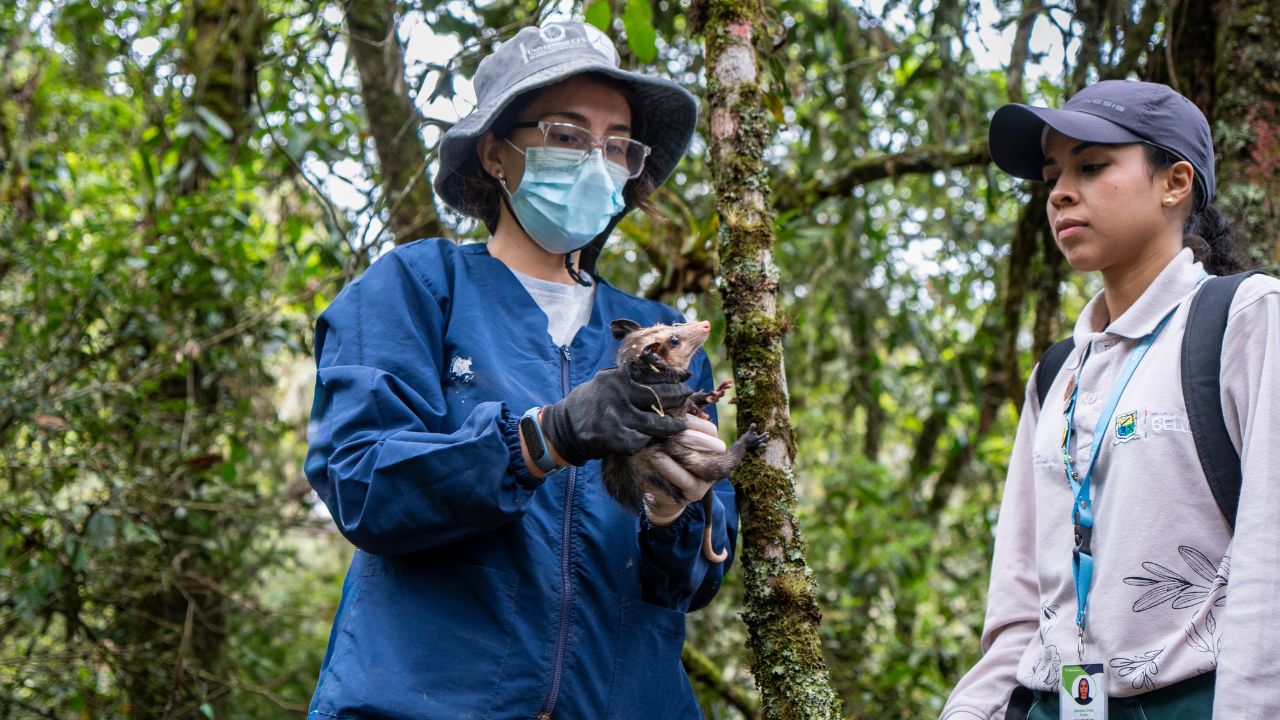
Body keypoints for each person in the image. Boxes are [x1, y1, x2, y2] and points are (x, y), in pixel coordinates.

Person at [303, 20, 737, 719]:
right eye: (567, 135)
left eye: (617, 145)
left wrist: (674, 508)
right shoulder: (416, 289)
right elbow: (361, 482)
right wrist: (543, 439)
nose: (597, 161)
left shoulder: (656, 335)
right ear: (495, 154)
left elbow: (691, 586)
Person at [941, 80, 1280, 719]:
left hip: (1192, 699)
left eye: (1093, 167)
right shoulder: (1059, 370)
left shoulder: (1246, 319)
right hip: (1053, 702)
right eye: (1053, 176)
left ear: (1174, 183)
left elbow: (1271, 563)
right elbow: (1020, 598)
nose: (1062, 192)